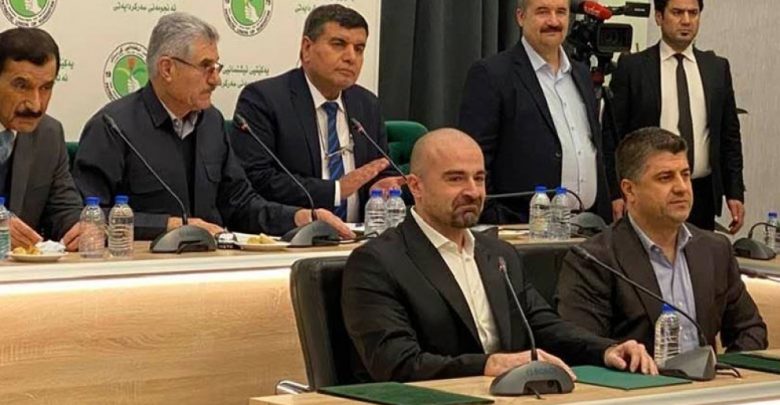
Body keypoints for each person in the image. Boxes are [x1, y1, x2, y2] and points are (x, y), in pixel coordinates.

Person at [342, 128, 656, 383]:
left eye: (479, 178)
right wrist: (490, 364)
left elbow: (543, 326)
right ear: (416, 186)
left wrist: (606, 349)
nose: (472, 191)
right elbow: (397, 364)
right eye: (455, 178)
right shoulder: (378, 262)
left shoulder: (499, 254)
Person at [73, 13, 351, 241]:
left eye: (217, 68)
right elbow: (86, 216)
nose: (216, 80)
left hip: (212, 266)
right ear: (167, 69)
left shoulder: (212, 122)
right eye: (206, 67)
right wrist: (169, 225)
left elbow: (240, 204)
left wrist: (298, 217)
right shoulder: (113, 127)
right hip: (143, 270)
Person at [557, 127, 766, 356]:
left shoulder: (715, 249)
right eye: (665, 178)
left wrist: (726, 371)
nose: (681, 188)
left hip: (709, 378)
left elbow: (751, 329)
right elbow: (582, 347)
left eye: (685, 175)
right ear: (629, 190)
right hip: (639, 378)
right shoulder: (594, 259)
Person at [231, 4, 400, 223]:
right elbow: (256, 179)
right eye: (339, 44)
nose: (351, 57)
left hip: (361, 235)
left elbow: (380, 169)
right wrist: (335, 190)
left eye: (359, 48)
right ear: (307, 48)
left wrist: (384, 185)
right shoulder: (264, 99)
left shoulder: (366, 104)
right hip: (293, 235)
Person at [458, 0, 610, 224]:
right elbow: (474, 156)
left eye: (561, 12)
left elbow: (593, 147)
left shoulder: (581, 74)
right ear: (521, 17)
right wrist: (495, 217)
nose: (553, 21)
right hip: (520, 227)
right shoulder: (492, 74)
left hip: (588, 224)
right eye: (542, 12)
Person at [605, 0, 744, 232]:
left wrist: (734, 192)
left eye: (693, 13)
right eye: (677, 12)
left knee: (698, 253)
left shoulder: (716, 68)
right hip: (649, 191)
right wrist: (616, 193)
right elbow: (613, 135)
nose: (686, 20)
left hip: (701, 193)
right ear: (659, 17)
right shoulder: (633, 67)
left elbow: (729, 135)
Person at [0, 27, 82, 250]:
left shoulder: (49, 134)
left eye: (46, 88)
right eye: (21, 86)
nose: (35, 104)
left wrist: (81, 229)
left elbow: (63, 209)